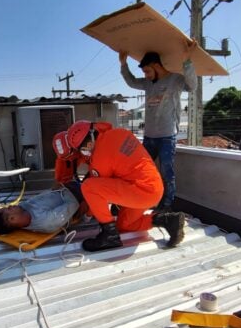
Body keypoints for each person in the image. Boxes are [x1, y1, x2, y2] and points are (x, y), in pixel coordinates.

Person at [66, 120, 185, 252]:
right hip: (154, 189)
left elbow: (97, 191)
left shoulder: (100, 157)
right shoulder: (119, 133)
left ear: (88, 144)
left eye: (82, 150)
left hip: (139, 192)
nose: (84, 153)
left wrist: (87, 215)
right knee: (124, 225)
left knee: (88, 186)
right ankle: (167, 220)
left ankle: (110, 236)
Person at [119, 48, 197, 211]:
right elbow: (132, 82)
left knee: (166, 171)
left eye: (148, 71)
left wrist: (188, 62)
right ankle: (136, 200)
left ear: (157, 65)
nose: (146, 75)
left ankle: (167, 205)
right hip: (149, 137)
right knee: (139, 170)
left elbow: (192, 86)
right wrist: (123, 64)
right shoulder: (148, 84)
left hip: (167, 136)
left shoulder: (175, 80)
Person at [0, 181, 83, 234]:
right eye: (8, 209)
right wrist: (63, 188)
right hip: (80, 194)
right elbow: (73, 204)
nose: (10, 206)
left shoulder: (23, 209)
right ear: (12, 219)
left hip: (66, 186)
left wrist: (58, 187)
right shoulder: (46, 221)